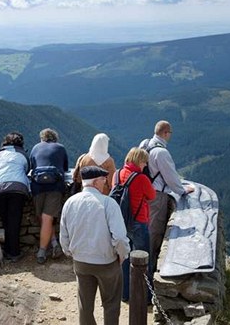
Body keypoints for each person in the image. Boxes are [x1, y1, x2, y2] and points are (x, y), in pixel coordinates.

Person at [60, 166, 130, 325]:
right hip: (107, 262)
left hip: (80, 262)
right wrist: (122, 255)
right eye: (103, 179)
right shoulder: (108, 204)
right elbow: (119, 237)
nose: (105, 182)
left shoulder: (69, 203)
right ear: (96, 181)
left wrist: (71, 253)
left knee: (85, 305)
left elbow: (64, 235)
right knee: (111, 304)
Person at [139, 120, 195, 273]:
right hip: (157, 196)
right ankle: (148, 270)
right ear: (165, 133)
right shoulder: (161, 152)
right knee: (154, 233)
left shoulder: (145, 144)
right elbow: (171, 177)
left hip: (142, 193)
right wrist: (183, 190)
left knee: (142, 229)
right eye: (170, 133)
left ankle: (137, 265)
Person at [112, 147, 156, 302]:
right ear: (139, 161)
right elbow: (152, 195)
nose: (145, 166)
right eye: (145, 162)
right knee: (144, 260)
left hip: (121, 222)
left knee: (124, 257)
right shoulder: (141, 178)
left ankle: (125, 294)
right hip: (139, 223)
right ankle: (147, 296)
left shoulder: (116, 175)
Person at [0, 132, 30, 263]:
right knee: (14, 221)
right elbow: (27, 170)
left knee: (5, 220)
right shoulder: (23, 155)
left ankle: (7, 250)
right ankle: (14, 253)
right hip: (17, 188)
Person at [30, 128, 69, 264]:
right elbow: (64, 168)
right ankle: (50, 247)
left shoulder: (35, 147)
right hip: (55, 187)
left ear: (42, 138)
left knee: (42, 217)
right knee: (47, 218)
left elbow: (31, 166)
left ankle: (44, 249)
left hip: (37, 186)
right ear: (55, 138)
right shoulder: (60, 148)